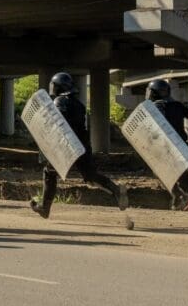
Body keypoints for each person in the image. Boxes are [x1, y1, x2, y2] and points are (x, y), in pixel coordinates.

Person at [30, 72, 128, 218]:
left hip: (66, 145)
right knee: (90, 176)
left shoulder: (59, 102)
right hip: (82, 146)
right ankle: (116, 190)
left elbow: (59, 125)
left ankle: (44, 207)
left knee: (49, 172)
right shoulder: (79, 104)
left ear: (57, 87)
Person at [146, 79, 188, 226]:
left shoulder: (155, 107)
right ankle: (177, 195)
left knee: (184, 182)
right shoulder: (177, 105)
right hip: (181, 147)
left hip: (168, 149)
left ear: (152, 93)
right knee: (163, 173)